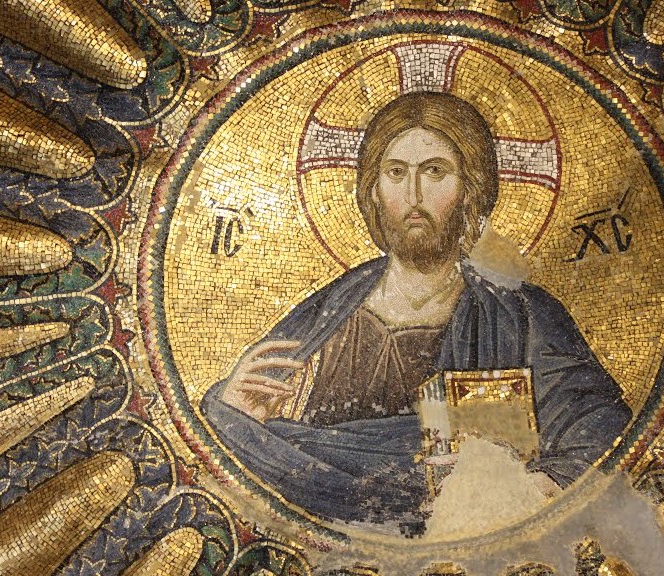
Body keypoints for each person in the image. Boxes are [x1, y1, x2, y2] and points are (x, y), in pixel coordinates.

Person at [202, 92, 630, 533]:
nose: (413, 194)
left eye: (435, 172)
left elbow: (599, 425)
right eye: (396, 173)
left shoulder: (522, 316)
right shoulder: (326, 314)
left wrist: (545, 482)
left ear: (470, 189)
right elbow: (243, 438)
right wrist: (232, 412)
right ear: (373, 189)